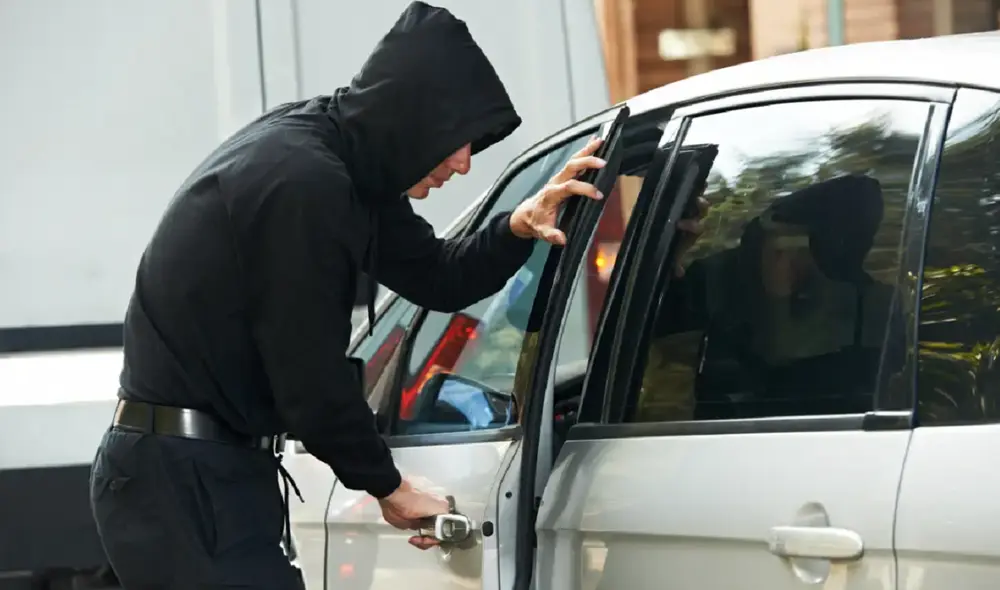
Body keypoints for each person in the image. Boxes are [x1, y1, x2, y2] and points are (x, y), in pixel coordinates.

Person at [88, 2, 608, 589]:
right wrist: (387, 485)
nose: (463, 165)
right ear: (413, 118)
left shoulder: (346, 166)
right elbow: (308, 374)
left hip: (207, 473)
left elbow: (438, 275)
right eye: (457, 141)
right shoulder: (303, 181)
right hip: (185, 479)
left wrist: (517, 224)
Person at [651, 173, 904, 420]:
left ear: (836, 259)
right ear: (757, 245)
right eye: (779, 248)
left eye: (801, 249)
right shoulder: (717, 287)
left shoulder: (877, 312)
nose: (787, 264)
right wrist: (668, 264)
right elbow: (642, 329)